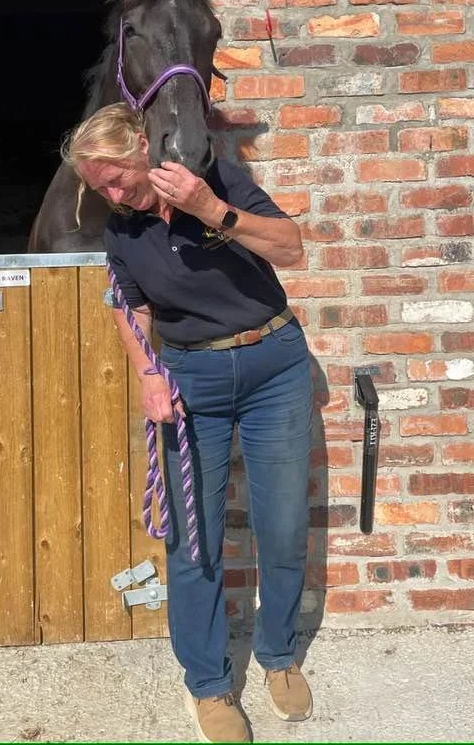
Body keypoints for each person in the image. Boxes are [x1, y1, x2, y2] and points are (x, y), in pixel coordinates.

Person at [63, 103, 313, 743]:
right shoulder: (121, 230)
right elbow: (129, 305)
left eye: (117, 176)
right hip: (191, 376)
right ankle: (208, 684)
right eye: (99, 187)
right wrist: (148, 373)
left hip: (274, 362)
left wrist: (210, 208)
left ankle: (279, 653)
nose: (114, 194)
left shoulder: (217, 181)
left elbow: (292, 248)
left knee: (282, 524)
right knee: (192, 535)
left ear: (141, 146)